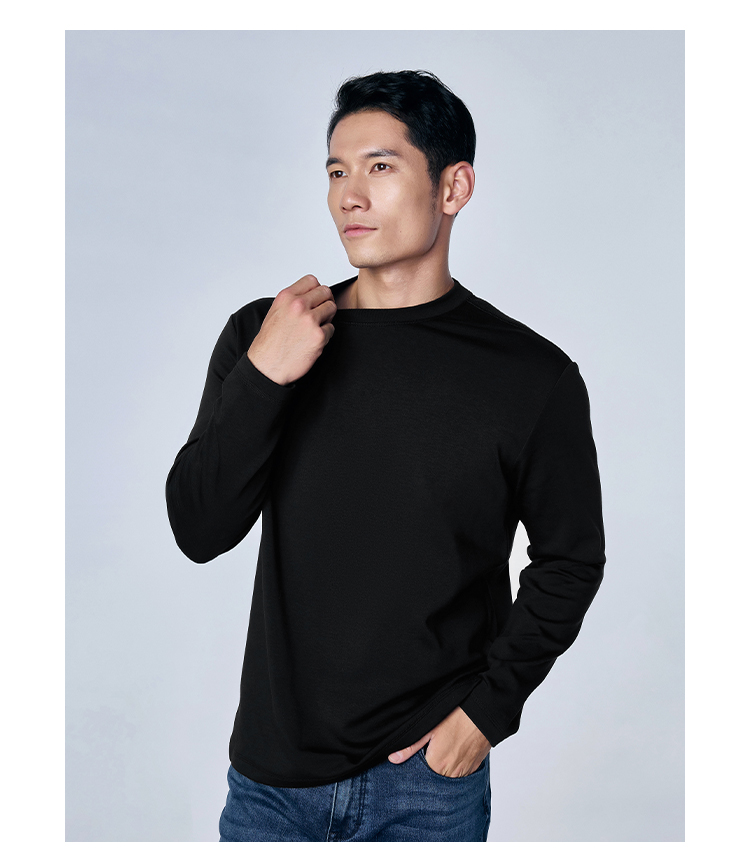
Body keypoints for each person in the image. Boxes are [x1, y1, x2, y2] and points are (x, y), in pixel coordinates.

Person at [165, 69, 606, 842]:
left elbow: (570, 560)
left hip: (426, 786)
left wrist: (486, 713)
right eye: (337, 171)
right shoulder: (266, 334)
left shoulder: (531, 376)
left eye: (380, 166)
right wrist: (265, 376)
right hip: (272, 782)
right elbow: (200, 528)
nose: (350, 196)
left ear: (453, 187)